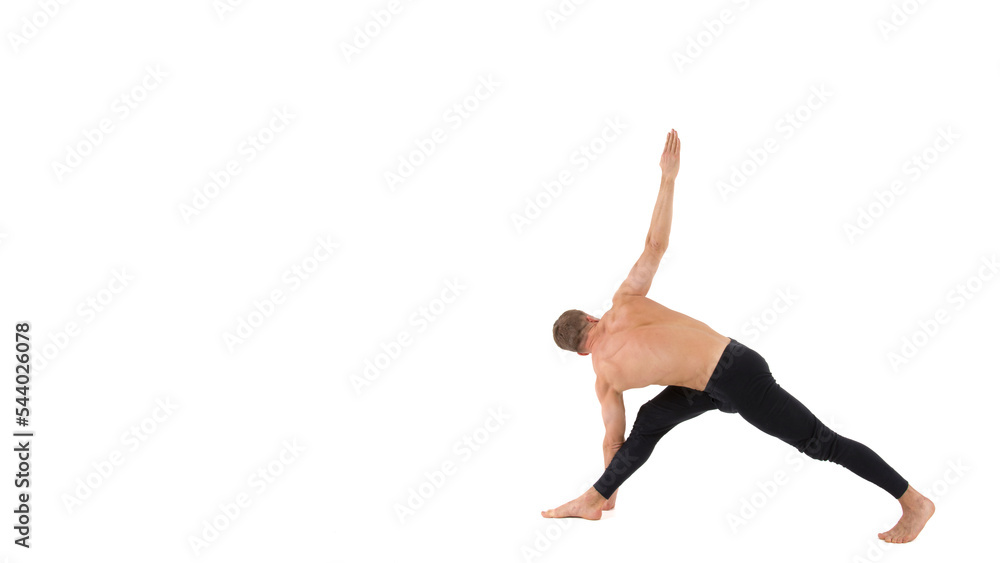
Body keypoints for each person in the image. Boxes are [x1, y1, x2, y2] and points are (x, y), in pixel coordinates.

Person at [540, 130, 934, 544]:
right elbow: (655, 245)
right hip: (726, 368)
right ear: (590, 316)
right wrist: (668, 178)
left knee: (822, 443)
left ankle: (914, 501)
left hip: (737, 381)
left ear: (580, 353)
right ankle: (594, 498)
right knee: (652, 418)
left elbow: (613, 439)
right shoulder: (624, 300)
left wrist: (612, 489)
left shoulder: (604, 377)